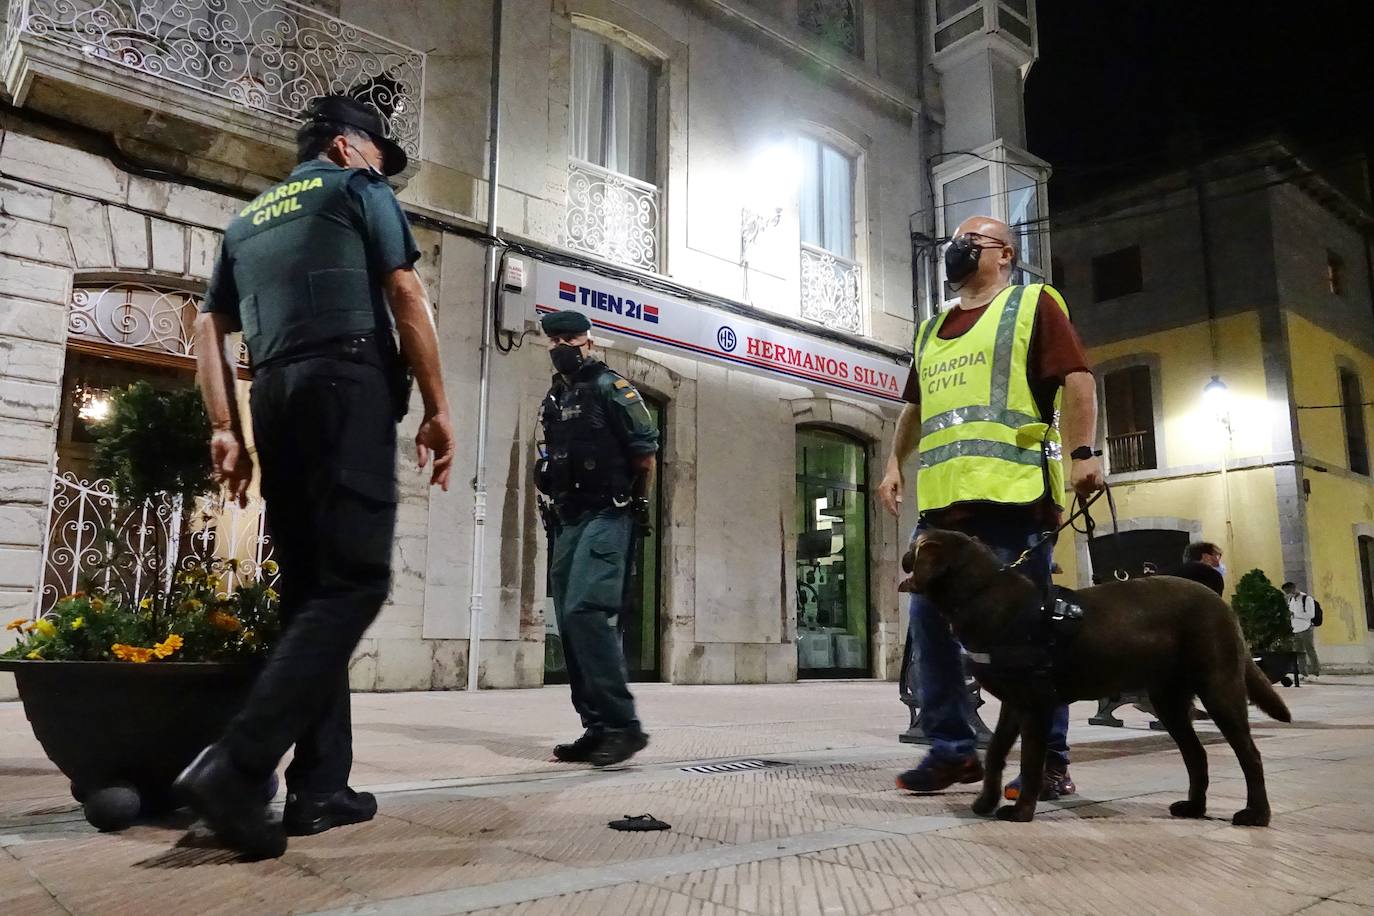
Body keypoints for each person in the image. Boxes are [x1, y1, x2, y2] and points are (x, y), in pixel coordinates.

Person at [180, 95, 455, 860]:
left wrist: (224, 428)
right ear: (344, 145)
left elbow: (208, 328)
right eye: (376, 152)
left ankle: (321, 787)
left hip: (274, 395)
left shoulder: (249, 220)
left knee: (310, 590)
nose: (380, 165)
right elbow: (405, 293)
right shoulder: (358, 192)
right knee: (356, 579)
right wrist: (438, 407)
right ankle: (237, 767)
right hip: (346, 382)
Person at [878, 216, 1104, 803]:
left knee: (1025, 639)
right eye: (954, 241)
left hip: (1013, 502)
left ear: (1004, 253)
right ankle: (952, 750)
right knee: (929, 629)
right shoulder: (931, 330)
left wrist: (1083, 453)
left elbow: (1078, 380)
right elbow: (915, 405)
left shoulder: (1032, 304)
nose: (955, 249)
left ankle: (1048, 758)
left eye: (970, 241)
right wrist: (893, 463)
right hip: (944, 512)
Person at [536, 310, 658, 767]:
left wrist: (634, 506)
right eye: (555, 339)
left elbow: (644, 453)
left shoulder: (612, 388)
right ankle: (595, 726)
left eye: (570, 338)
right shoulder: (557, 394)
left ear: (590, 341)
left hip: (609, 513)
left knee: (587, 611)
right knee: (568, 620)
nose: (562, 346)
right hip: (569, 517)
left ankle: (623, 726)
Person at [1283, 581, 1322, 678]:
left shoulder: (1306, 599)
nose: (1288, 594)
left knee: (1310, 650)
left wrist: (1295, 615)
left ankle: (1315, 671)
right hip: (1296, 629)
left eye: (1288, 591)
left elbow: (1310, 615)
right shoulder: (1291, 600)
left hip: (1306, 628)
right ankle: (1303, 672)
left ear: (1293, 588)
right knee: (1300, 652)